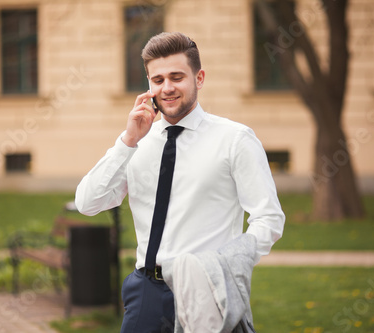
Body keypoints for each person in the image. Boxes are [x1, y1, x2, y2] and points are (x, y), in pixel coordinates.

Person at [75, 31, 285, 333]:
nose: (167, 87)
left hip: (207, 290)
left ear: (199, 78)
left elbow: (269, 219)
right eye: (157, 80)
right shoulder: (137, 144)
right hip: (145, 291)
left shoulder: (234, 139)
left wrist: (226, 267)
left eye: (177, 77)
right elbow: (87, 203)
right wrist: (128, 141)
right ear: (148, 84)